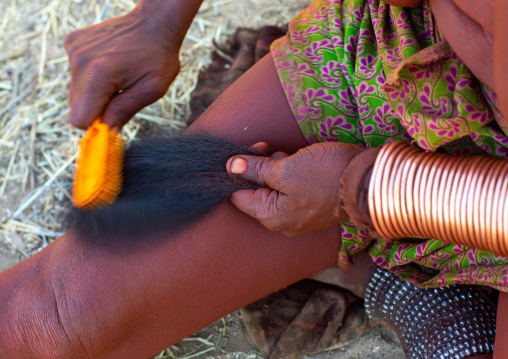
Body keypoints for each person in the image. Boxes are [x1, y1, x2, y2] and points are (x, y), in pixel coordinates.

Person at [0, 0, 507, 358]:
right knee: (55, 319)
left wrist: (363, 190)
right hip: (400, 50)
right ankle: (407, 270)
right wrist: (159, 16)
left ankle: (418, 283)